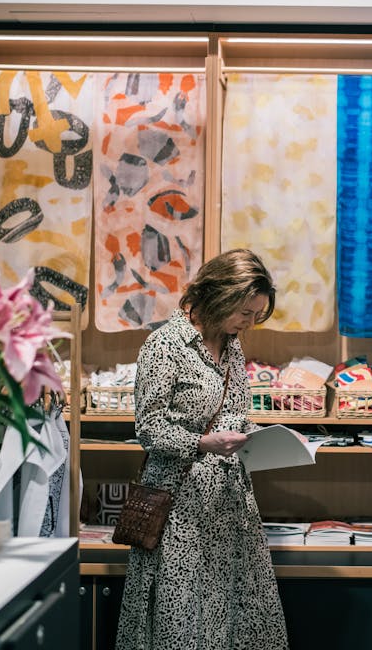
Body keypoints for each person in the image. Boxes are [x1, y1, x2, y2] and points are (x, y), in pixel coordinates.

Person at [116, 248, 288, 650]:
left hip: (230, 506)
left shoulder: (230, 345)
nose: (249, 323)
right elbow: (150, 428)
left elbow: (234, 412)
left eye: (256, 315)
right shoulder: (165, 345)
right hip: (179, 509)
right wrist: (203, 442)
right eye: (245, 313)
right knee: (181, 616)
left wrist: (257, 434)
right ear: (219, 297)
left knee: (233, 612)